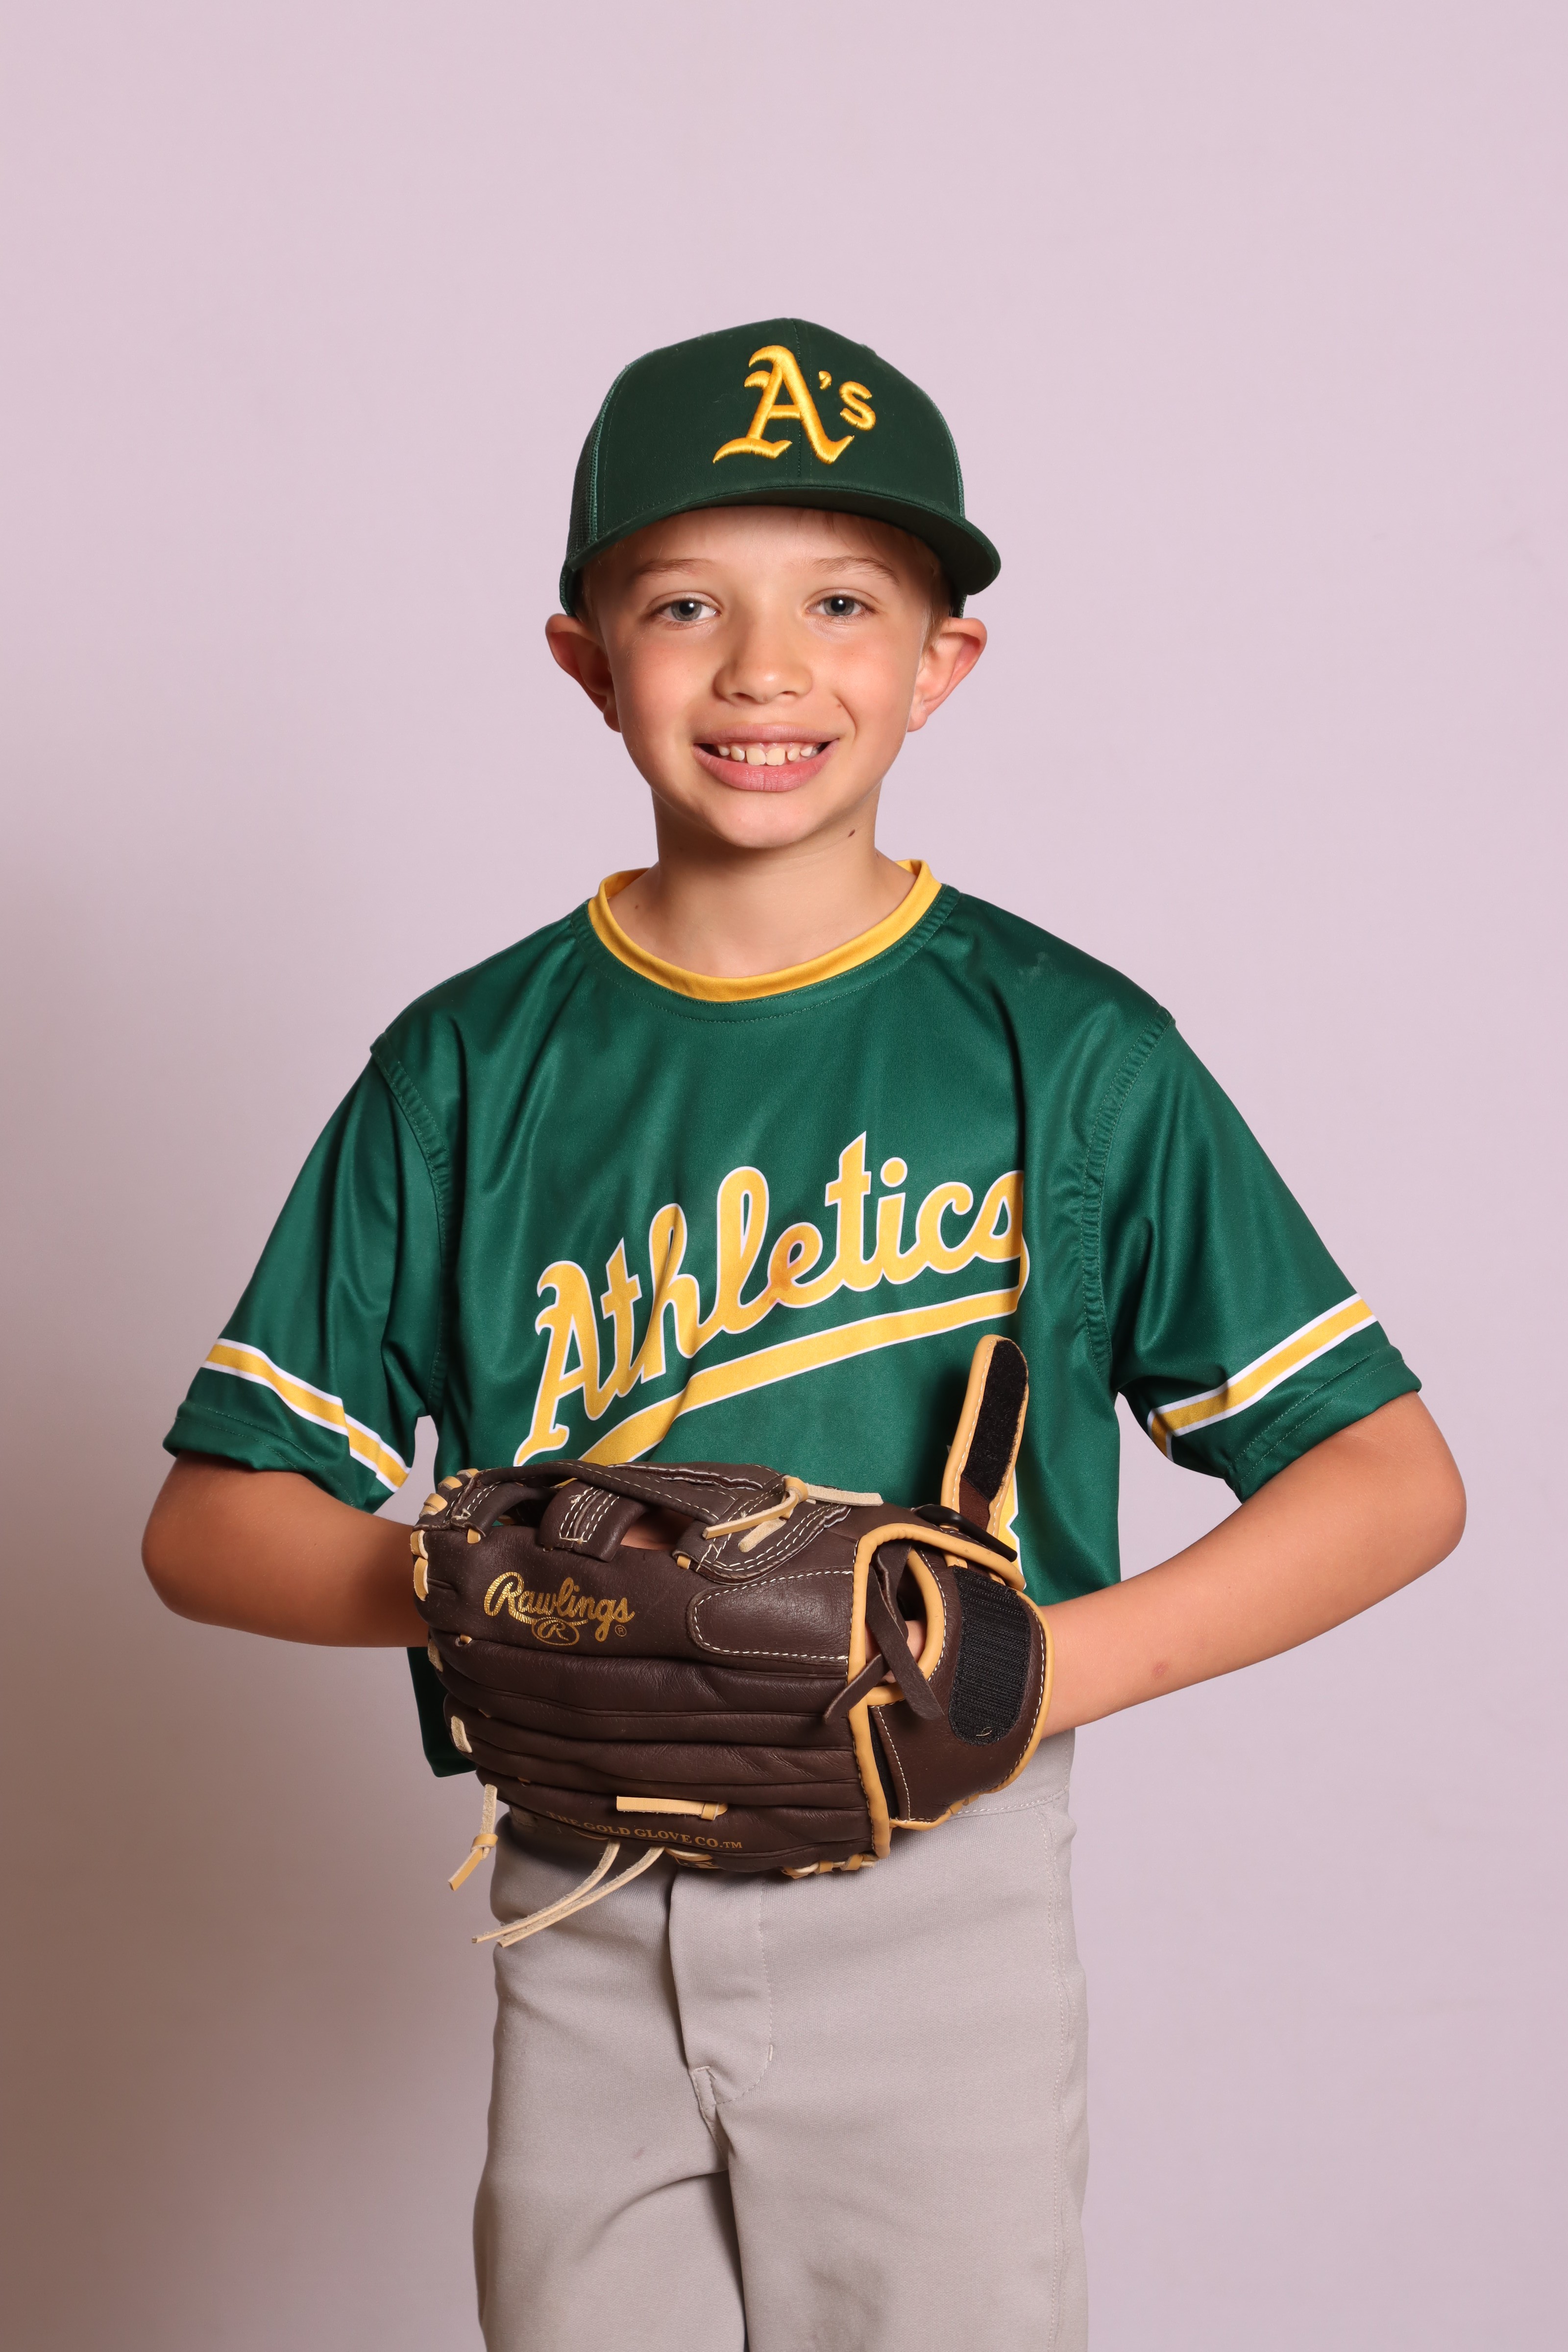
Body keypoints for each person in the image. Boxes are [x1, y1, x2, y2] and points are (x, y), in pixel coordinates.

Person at [142, 318, 1465, 2352]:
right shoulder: (467, 1068)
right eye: (687, 603)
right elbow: (208, 1526)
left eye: (842, 602)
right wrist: (497, 1593)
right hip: (580, 1895)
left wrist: (1027, 1673)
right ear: (588, 659)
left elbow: (1388, 1483)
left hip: (935, 1894)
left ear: (942, 662)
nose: (766, 669)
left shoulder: (1067, 1054)